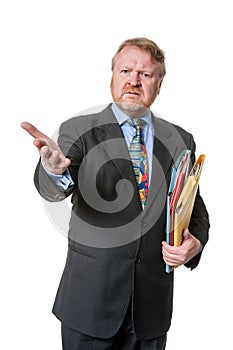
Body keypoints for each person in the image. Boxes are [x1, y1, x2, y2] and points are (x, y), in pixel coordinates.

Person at [21, 37, 210, 350]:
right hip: (89, 306)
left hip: (150, 312)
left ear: (159, 84)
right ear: (112, 77)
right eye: (125, 71)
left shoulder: (181, 139)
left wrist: (195, 243)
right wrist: (55, 171)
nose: (134, 81)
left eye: (146, 75)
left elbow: (195, 207)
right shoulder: (80, 129)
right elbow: (52, 188)